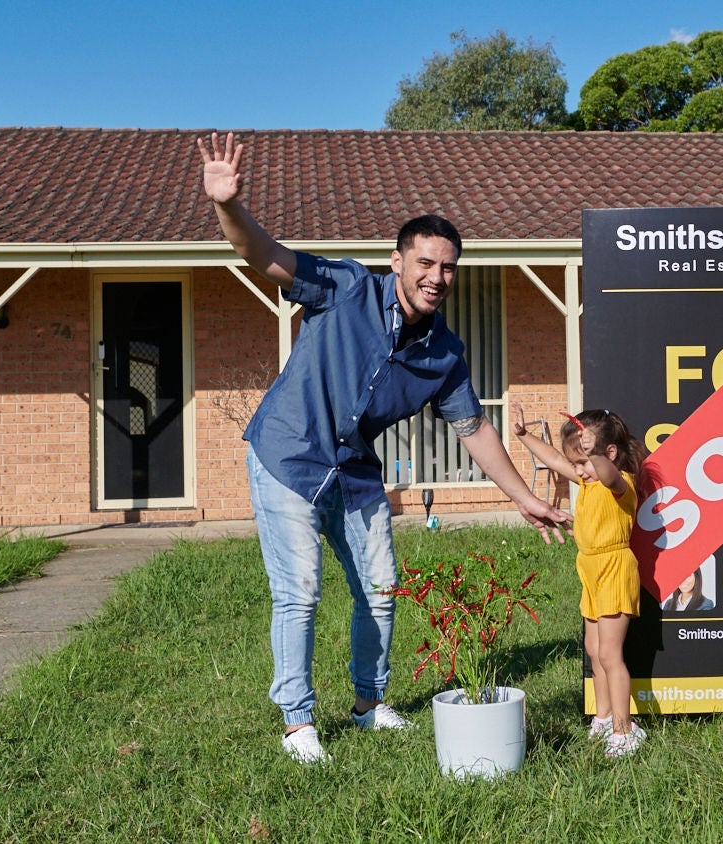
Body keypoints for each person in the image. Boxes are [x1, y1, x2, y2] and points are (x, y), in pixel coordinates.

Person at [198, 132, 572, 765]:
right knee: (300, 592)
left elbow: (473, 429)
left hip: (353, 468)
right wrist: (227, 206)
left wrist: (527, 499)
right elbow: (266, 257)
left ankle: (370, 704)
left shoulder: (443, 354)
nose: (438, 276)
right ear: (396, 261)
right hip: (287, 455)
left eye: (448, 266)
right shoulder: (346, 288)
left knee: (380, 586)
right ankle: (297, 721)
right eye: (425, 262)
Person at [512, 403, 648, 758]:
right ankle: (603, 718)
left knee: (609, 654)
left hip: (614, 569)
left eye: (584, 462)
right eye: (578, 465)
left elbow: (609, 475)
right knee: (593, 651)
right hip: (590, 569)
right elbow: (558, 461)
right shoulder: (587, 480)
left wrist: (595, 454)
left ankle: (625, 730)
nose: (579, 471)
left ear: (610, 453)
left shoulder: (620, 483)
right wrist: (524, 436)